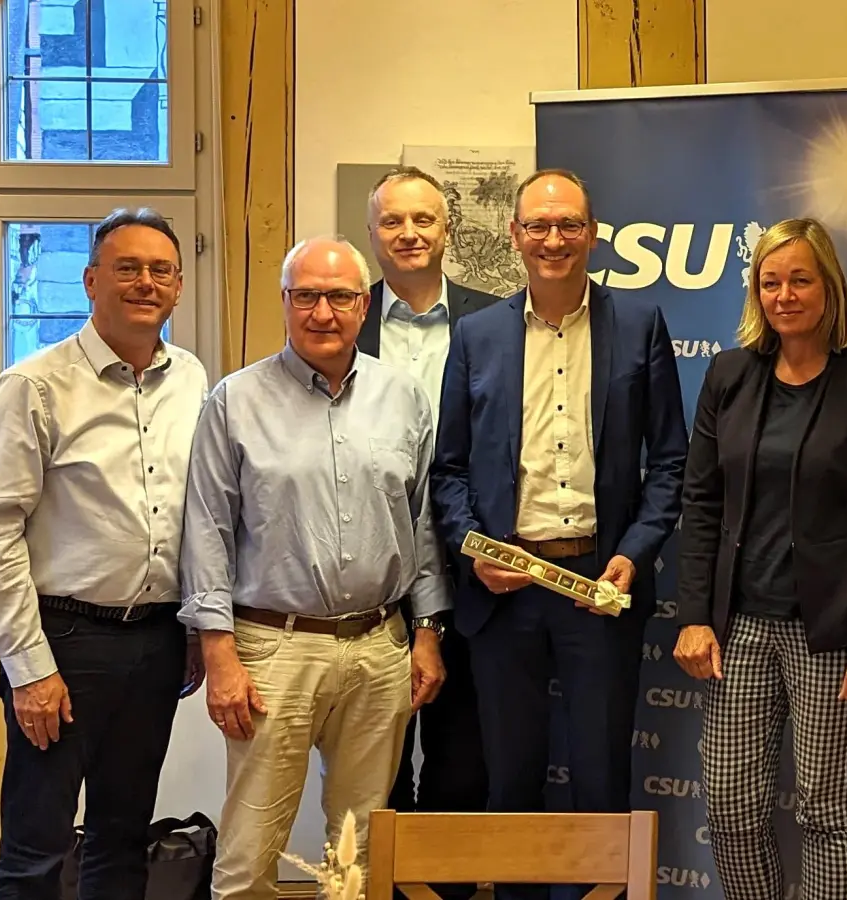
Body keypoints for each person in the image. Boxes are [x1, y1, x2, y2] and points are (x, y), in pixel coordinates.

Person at [430, 169, 688, 900]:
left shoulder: (638, 326)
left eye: (568, 224)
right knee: (509, 776)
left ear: (593, 233)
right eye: (538, 226)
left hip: (596, 593)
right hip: (503, 598)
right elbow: (447, 471)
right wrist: (476, 553)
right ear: (514, 236)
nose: (553, 239)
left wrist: (631, 558)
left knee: (602, 775)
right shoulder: (476, 335)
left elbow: (670, 461)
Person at [180, 236, 448, 900]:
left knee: (357, 855)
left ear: (364, 306)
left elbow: (421, 527)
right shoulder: (234, 401)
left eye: (338, 297)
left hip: (380, 649)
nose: (322, 312)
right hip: (274, 650)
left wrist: (427, 633)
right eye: (306, 296)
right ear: (285, 302)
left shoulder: (404, 398)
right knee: (248, 856)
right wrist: (219, 654)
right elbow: (206, 533)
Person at [672, 218, 847, 900]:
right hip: (740, 628)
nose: (785, 294)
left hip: (835, 635)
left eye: (800, 279)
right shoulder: (729, 375)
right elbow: (701, 504)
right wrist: (694, 615)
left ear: (829, 286)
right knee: (728, 804)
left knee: (828, 812)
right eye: (770, 281)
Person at [0, 208, 207, 900]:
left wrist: (193, 630)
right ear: (91, 280)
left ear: (179, 287)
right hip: (62, 640)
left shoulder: (192, 380)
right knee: (37, 846)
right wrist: (29, 668)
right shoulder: (33, 387)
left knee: (122, 838)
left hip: (156, 639)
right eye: (127, 268)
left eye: (160, 270)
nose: (145, 282)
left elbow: (201, 515)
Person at [360, 166, 498, 897]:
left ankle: (444, 890)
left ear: (449, 230)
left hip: (475, 579)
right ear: (372, 234)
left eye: (423, 220)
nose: (409, 234)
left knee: (461, 763)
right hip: (373, 583)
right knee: (373, 771)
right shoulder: (339, 321)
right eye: (392, 222)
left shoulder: (498, 321)